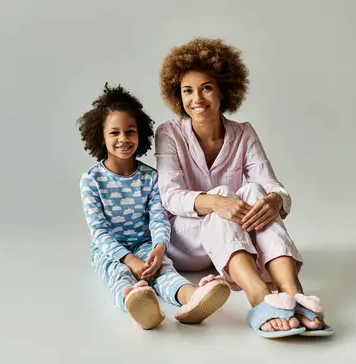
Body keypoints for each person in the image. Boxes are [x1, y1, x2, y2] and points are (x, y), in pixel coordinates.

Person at [154, 37, 333, 338]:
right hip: (187, 240)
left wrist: (276, 200)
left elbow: (270, 183)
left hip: (233, 239)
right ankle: (258, 294)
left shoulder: (244, 133)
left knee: (256, 194)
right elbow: (169, 196)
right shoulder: (169, 133)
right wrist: (215, 202)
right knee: (224, 193)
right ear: (178, 95)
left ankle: (293, 292)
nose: (196, 98)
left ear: (224, 91)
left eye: (206, 87)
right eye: (187, 90)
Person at [77, 83, 230, 330]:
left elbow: (158, 218)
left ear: (141, 134)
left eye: (130, 131)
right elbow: (100, 233)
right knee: (118, 275)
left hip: (145, 244)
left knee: (165, 271)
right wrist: (128, 260)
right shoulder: (91, 180)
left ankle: (192, 298)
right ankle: (136, 300)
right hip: (110, 250)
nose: (124, 139)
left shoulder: (150, 177)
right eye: (114, 133)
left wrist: (159, 249)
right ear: (101, 137)